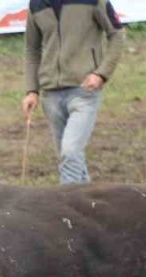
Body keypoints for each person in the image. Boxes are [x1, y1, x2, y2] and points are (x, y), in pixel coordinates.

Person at [22, 0, 124, 185]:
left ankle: (67, 201)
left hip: (84, 92)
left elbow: (117, 34)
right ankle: (88, 200)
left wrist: (101, 74)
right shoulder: (36, 4)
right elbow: (32, 49)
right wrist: (31, 90)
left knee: (70, 153)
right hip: (50, 96)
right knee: (70, 157)